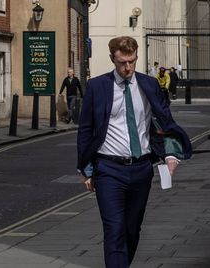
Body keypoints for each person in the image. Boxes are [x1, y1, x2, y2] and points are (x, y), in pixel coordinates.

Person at [77, 37, 192, 268]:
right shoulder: (97, 87)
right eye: (122, 62)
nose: (128, 68)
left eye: (132, 61)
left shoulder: (149, 85)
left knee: (131, 229)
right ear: (112, 59)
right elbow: (86, 129)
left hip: (141, 169)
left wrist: (170, 155)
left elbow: (164, 123)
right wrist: (86, 169)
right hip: (108, 169)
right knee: (114, 229)